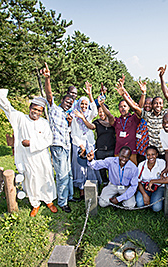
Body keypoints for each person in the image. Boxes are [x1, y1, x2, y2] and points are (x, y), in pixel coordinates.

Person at [0, 71, 58, 217]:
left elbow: (49, 140)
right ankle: (35, 203)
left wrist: (31, 143)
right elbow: (5, 105)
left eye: (39, 111)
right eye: (34, 109)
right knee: (31, 179)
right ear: (29, 108)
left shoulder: (45, 123)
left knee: (46, 177)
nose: (36, 112)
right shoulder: (21, 118)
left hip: (42, 157)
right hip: (28, 158)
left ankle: (49, 201)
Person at [41, 63, 78, 214]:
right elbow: (49, 95)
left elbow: (67, 132)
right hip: (57, 147)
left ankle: (69, 196)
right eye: (66, 101)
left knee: (68, 173)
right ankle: (62, 202)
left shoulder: (66, 116)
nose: (68, 103)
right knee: (62, 176)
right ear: (61, 101)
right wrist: (47, 79)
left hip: (66, 147)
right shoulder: (54, 109)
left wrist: (69, 123)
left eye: (70, 102)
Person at [71, 81, 101, 197]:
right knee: (79, 167)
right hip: (79, 145)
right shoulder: (74, 116)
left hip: (90, 143)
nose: (83, 106)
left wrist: (90, 94)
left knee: (90, 165)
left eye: (85, 104)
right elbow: (73, 133)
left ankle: (91, 186)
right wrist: (81, 146)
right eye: (82, 104)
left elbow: (94, 108)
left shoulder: (89, 114)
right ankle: (81, 188)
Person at [100, 88, 140, 165]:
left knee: (133, 171)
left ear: (128, 108)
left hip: (132, 151)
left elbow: (139, 109)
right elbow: (109, 115)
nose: (123, 108)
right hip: (119, 151)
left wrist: (124, 95)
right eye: (121, 107)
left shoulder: (134, 118)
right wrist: (102, 105)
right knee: (118, 171)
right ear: (118, 109)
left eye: (125, 106)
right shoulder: (117, 120)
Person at [82, 97, 116, 185]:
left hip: (112, 149)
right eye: (99, 112)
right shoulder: (97, 122)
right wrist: (83, 119)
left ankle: (112, 184)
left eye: (103, 111)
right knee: (102, 169)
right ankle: (104, 183)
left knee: (112, 169)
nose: (101, 113)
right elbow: (91, 126)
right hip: (100, 150)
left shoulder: (113, 122)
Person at [136, 146, 168, 212]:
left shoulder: (161, 163)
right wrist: (144, 194)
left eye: (153, 154)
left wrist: (152, 181)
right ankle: (148, 197)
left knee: (156, 208)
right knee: (139, 204)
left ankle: (154, 199)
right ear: (146, 155)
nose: (151, 157)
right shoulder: (142, 165)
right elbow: (138, 182)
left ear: (157, 155)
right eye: (148, 155)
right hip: (145, 186)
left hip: (159, 187)